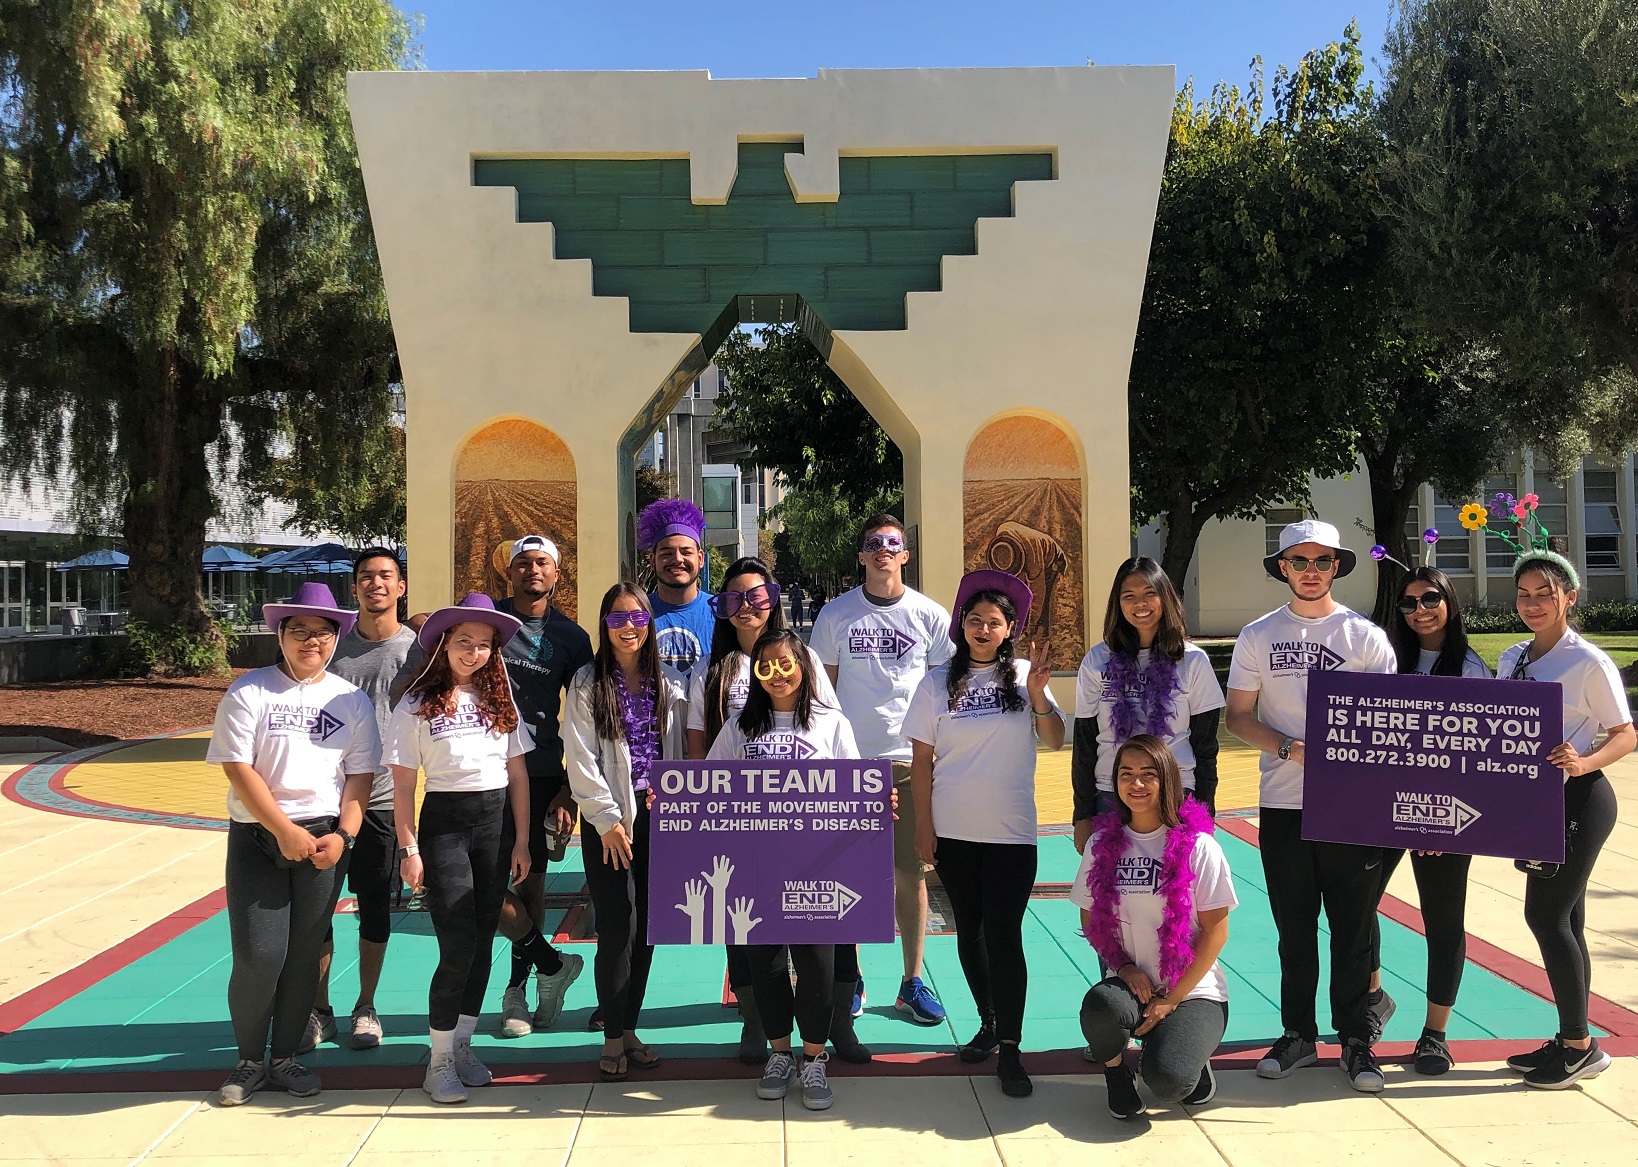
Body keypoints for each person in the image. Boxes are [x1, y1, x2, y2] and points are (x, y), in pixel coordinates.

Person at [1224, 518, 1397, 1092]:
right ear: (1282, 568)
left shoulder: (1365, 637)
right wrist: (1291, 748)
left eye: (1322, 561)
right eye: (1299, 561)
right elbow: (1239, 716)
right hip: (1283, 803)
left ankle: (1356, 1040)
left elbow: (1390, 722)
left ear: (1337, 567)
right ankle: (1298, 1033)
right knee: (1294, 929)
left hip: (1353, 808)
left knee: (1352, 927)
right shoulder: (1257, 636)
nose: (1310, 572)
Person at [206, 582, 380, 1106]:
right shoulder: (250, 691)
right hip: (260, 839)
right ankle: (246, 1059)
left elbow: (360, 776)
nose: (311, 642)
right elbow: (238, 768)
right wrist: (283, 830)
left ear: (336, 639)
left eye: (322, 633)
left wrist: (343, 835)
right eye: (299, 631)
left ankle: (284, 1058)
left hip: (325, 838)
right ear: (279, 634)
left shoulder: (350, 699)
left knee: (305, 955)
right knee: (260, 954)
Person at [684, 557, 853, 1063]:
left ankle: (834, 1032)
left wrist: (870, 801)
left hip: (812, 846)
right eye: (733, 599)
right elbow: (702, 756)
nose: (746, 607)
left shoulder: (806, 663)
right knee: (752, 940)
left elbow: (836, 751)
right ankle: (758, 1025)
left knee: (823, 944)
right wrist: (691, 803)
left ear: (773, 599)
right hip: (747, 839)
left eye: (756, 596)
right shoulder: (711, 671)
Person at [907, 570, 1064, 1098]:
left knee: (1004, 934)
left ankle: (1013, 1050)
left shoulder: (1024, 676)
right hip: (953, 833)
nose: (982, 629)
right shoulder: (934, 683)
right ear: (960, 626)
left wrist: (1041, 695)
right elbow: (922, 761)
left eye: (993, 622)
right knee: (969, 932)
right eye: (974, 620)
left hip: (1011, 834)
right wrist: (925, 828)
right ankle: (989, 1022)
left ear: (1008, 629)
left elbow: (1055, 738)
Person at [707, 628, 862, 1112]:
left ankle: (814, 1060)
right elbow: (709, 785)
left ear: (804, 667)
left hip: (817, 869)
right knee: (766, 966)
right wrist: (670, 797)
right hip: (755, 870)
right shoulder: (739, 727)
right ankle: (779, 1054)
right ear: (755, 673)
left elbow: (855, 786)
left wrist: (880, 800)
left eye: (786, 664)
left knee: (816, 967)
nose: (777, 675)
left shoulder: (831, 723)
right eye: (766, 666)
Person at [386, 594, 532, 1104]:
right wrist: (409, 848)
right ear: (444, 643)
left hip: (494, 828)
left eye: (484, 645)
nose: (473, 653)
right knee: (457, 945)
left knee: (484, 940)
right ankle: (439, 1060)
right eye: (464, 642)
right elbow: (404, 787)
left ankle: (464, 1045)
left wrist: (522, 841)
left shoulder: (500, 701)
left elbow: (517, 775)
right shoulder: (415, 703)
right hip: (445, 824)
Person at [810, 513, 953, 1027]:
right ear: (862, 554)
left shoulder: (930, 616)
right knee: (850, 877)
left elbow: (945, 690)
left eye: (892, 544)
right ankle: (852, 979)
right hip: (849, 764)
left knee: (910, 874)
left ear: (905, 554)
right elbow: (820, 693)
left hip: (910, 760)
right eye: (874, 544)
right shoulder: (835, 615)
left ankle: (911, 982)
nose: (883, 551)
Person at [1498, 550, 1632, 1088]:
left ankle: (1578, 1046)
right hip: (1535, 802)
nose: (1533, 604)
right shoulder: (1512, 657)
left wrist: (1584, 762)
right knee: (1567, 922)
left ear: (1569, 598)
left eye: (1544, 594)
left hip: (1580, 801)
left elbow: (1625, 731)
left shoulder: (1588, 662)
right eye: (1524, 594)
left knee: (1546, 917)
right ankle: (1573, 1036)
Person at [1073, 736, 1236, 1120]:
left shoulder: (1199, 845)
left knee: (1168, 1081)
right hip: (1134, 983)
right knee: (1099, 1006)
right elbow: (1089, 919)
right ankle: (1116, 1074)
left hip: (1192, 991)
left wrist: (1172, 999)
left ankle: (1183, 1056)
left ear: (1167, 780)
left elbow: (1217, 931)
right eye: (1126, 774)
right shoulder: (1101, 844)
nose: (1137, 784)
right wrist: (1124, 968)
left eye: (1148, 774)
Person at [564, 582, 688, 1080]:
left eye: (637, 618)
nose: (629, 627)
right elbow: (581, 757)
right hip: (610, 820)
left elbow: (679, 752)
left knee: (649, 931)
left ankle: (631, 1028)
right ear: (604, 625)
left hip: (659, 815)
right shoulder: (587, 683)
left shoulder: (671, 683)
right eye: (617, 619)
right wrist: (607, 820)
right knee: (618, 927)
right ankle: (612, 1036)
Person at [298, 547, 419, 1054]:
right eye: (366, 577)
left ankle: (366, 1005)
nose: (376, 585)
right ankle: (318, 1008)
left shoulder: (420, 648)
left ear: (401, 587)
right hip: (326, 797)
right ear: (355, 589)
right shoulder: (332, 649)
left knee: (374, 907)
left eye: (385, 577)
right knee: (317, 909)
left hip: (385, 801)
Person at [1371, 565, 1491, 1075]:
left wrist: (1442, 821)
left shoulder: (1469, 666)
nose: (1419, 610)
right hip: (1383, 809)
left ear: (1449, 602)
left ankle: (1435, 1033)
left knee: (1443, 922)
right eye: (1408, 602)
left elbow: (1482, 752)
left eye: (1430, 599)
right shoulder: (1382, 659)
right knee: (1356, 908)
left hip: (1444, 818)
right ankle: (1375, 998)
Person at [492, 535, 590, 1038]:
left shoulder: (571, 638)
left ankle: (517, 993)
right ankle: (553, 963)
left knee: (528, 883)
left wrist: (569, 789)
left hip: (542, 773)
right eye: (524, 563)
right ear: (509, 573)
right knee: (480, 885)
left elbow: (582, 719)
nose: (533, 570)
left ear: (556, 575)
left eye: (543, 563)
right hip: (482, 771)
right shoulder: (487, 621)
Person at [1073, 557, 1225, 856]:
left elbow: (1206, 746)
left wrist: (1206, 813)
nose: (1139, 603)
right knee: (1114, 894)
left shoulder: (1192, 661)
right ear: (1118, 604)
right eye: (1128, 596)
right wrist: (1081, 815)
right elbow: (1084, 743)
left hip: (1176, 793)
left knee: (1177, 893)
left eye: (1149, 593)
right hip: (1111, 794)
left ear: (1164, 597)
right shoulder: (1096, 661)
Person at [638, 498, 716, 680]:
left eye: (686, 552)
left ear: (701, 558)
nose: (678, 559)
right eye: (666, 553)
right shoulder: (636, 614)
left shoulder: (722, 612)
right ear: (652, 561)